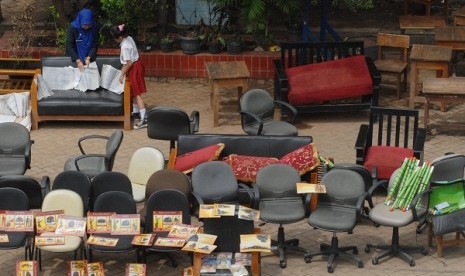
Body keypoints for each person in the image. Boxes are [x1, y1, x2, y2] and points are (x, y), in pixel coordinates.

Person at [110, 24, 148, 129]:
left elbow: (128, 63)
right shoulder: (129, 38)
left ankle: (144, 118)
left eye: (115, 37)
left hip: (134, 68)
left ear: (120, 37)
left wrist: (122, 74)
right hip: (136, 66)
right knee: (132, 91)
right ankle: (136, 112)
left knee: (136, 94)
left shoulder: (125, 46)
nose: (115, 40)